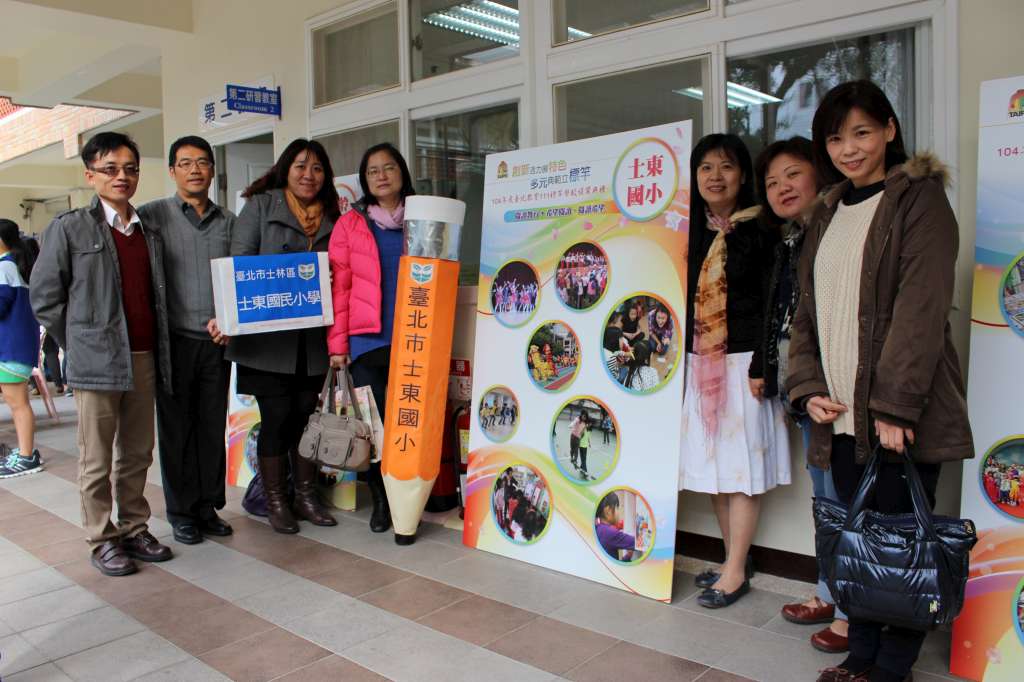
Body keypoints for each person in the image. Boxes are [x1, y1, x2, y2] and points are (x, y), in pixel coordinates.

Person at [789, 81, 974, 682]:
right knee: (860, 544)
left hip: (897, 417)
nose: (848, 148)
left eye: (862, 133)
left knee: (901, 550)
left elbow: (922, 308)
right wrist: (806, 387)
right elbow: (807, 313)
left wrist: (895, 406)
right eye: (834, 138)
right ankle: (860, 657)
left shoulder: (920, 201)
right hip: (839, 416)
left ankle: (892, 668)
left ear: (890, 130)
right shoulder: (827, 211)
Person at [31, 132, 174, 576]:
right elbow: (45, 297)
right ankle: (101, 537)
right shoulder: (70, 228)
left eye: (130, 169)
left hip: (144, 356)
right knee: (95, 458)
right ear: (90, 174)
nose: (121, 177)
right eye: (110, 169)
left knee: (137, 453)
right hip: (96, 362)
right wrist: (79, 342)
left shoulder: (148, 231)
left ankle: (134, 526)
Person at [679, 133, 790, 609]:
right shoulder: (689, 231)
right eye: (705, 167)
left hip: (745, 365)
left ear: (743, 175)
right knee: (714, 468)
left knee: (742, 468)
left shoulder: (762, 230)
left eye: (725, 166)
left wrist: (764, 364)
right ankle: (731, 560)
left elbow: (772, 305)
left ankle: (737, 570)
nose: (715, 176)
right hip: (700, 363)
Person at [753, 137, 849, 654]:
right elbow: (782, 315)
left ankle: (853, 609)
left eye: (792, 174)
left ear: (819, 174)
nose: (782, 188)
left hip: (839, 389)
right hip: (805, 389)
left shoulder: (837, 228)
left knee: (847, 498)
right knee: (826, 497)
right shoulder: (792, 238)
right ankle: (830, 592)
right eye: (771, 182)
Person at [229, 138, 340, 534]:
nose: (309, 175)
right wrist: (289, 276)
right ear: (285, 169)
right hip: (267, 341)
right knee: (276, 418)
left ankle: (306, 496)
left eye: (317, 168)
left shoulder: (333, 213)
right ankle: (276, 499)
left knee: (307, 418)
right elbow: (240, 266)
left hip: (312, 341)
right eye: (300, 166)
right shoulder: (260, 206)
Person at [139, 136, 235, 545]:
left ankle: (208, 507)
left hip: (216, 342)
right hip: (173, 342)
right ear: (172, 170)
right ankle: (181, 512)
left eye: (202, 162)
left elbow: (240, 276)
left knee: (212, 426)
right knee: (177, 429)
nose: (195, 169)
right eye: (185, 163)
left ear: (212, 169)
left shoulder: (230, 222)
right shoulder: (151, 216)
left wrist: (229, 320)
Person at [327, 142, 415, 541]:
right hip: (368, 342)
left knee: (409, 423)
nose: (381, 176)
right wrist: (338, 345)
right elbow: (340, 289)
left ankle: (408, 500)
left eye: (389, 167)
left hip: (416, 338)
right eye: (373, 170)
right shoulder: (350, 224)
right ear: (364, 179)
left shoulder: (423, 216)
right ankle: (382, 501)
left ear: (401, 172)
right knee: (376, 428)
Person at [0, 219, 43, 478]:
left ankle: (27, 456)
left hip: (9, 348)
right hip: (16, 347)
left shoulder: (4, 266)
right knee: (18, 403)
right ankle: (25, 452)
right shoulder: (15, 265)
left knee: (18, 404)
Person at [595, 492, 635, 561]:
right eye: (617, 507)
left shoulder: (599, 528)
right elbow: (637, 543)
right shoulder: (607, 532)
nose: (619, 512)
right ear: (608, 511)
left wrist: (628, 556)